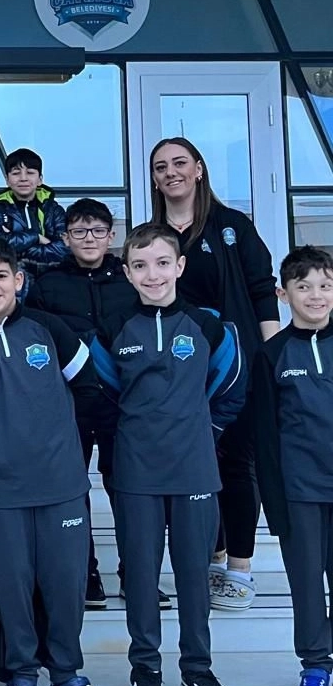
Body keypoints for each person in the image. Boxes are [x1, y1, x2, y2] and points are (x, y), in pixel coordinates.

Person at [89, 223, 245, 686]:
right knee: (140, 577)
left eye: (161, 263)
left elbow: (229, 388)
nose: (152, 275)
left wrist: (201, 431)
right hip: (136, 472)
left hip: (195, 470)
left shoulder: (210, 326)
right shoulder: (112, 328)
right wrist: (136, 432)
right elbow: (105, 392)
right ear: (127, 273)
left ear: (179, 266)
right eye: (140, 265)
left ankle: (197, 668)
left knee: (194, 576)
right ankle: (146, 667)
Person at [0, 237, 101, 686]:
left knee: (65, 584)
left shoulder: (49, 329)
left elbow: (88, 389)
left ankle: (65, 669)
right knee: (11, 586)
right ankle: (20, 668)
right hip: (1, 489)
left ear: (18, 279)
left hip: (61, 484)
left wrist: (56, 440)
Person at [148, 136, 279, 610]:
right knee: (198, 467)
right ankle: (214, 556)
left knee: (238, 463)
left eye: (180, 163)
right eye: (161, 167)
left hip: (238, 367)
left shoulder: (232, 226)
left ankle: (240, 568)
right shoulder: (151, 235)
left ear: (199, 169)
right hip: (179, 373)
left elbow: (262, 290)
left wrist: (270, 357)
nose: (171, 172)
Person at [23, 198, 140, 611]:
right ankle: (85, 573)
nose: (88, 239)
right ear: (65, 237)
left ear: (111, 236)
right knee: (74, 490)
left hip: (121, 403)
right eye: (78, 231)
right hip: (69, 405)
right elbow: (37, 340)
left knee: (126, 488)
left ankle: (134, 574)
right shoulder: (49, 283)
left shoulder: (129, 280)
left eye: (97, 231)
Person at [254, 246, 333, 686]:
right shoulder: (273, 354)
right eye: (304, 287)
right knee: (306, 585)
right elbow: (265, 440)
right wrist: (275, 505)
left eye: (324, 286)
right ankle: (316, 664)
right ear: (284, 295)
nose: (316, 296)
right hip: (300, 492)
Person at [0, 148, 69, 282]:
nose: (23, 178)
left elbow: (64, 249)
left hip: (53, 277)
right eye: (16, 173)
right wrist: (36, 237)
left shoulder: (54, 210)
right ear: (7, 180)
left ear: (40, 179)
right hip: (12, 280)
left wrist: (18, 248)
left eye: (30, 173)